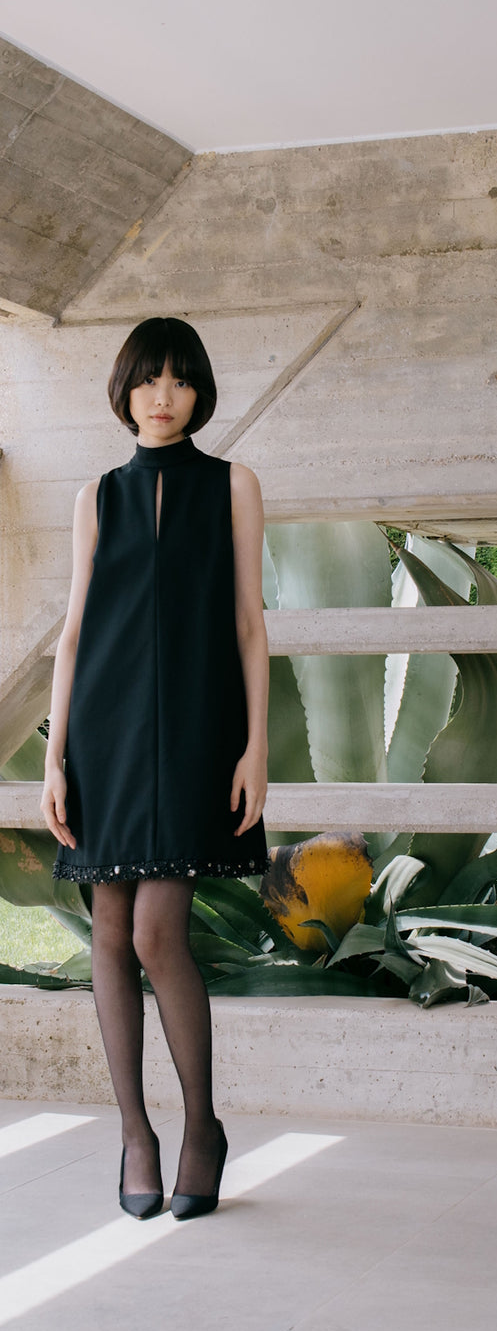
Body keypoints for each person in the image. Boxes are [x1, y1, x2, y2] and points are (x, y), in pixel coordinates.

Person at [41, 318, 270, 1220]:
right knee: (107, 930)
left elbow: (249, 623)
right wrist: (54, 757)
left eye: (177, 380)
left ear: (198, 390)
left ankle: (202, 1126)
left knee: (154, 935)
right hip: (104, 734)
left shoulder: (234, 485)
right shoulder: (97, 495)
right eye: (146, 379)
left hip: (196, 734)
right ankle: (136, 1133)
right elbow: (73, 632)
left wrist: (256, 747)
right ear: (125, 391)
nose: (161, 395)